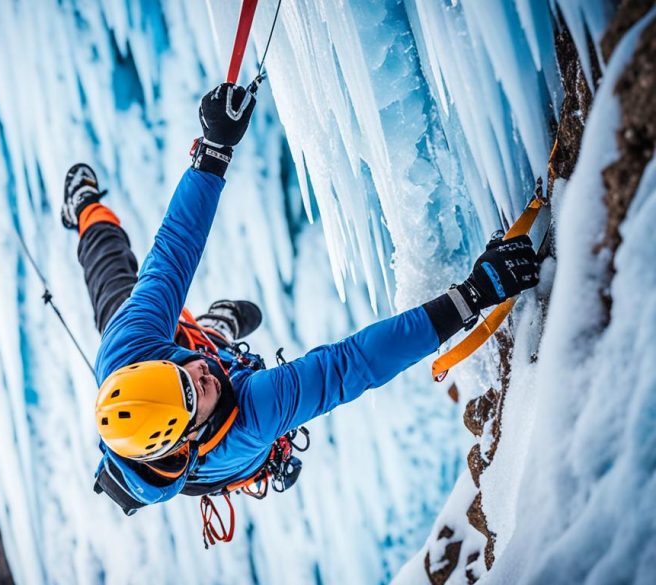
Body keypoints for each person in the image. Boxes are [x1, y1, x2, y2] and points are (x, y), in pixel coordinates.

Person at [61, 83, 540, 523]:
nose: (198, 373)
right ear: (187, 436)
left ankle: (84, 208)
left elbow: (175, 248)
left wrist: (213, 150)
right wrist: (474, 294)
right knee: (225, 366)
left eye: (180, 372)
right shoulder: (252, 419)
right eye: (194, 393)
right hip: (241, 445)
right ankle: (216, 332)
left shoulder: (129, 348)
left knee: (109, 275)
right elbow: (349, 366)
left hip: (149, 350)